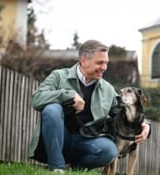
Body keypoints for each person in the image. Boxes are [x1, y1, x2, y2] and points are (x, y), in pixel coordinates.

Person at [28, 40, 150, 173]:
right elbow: (37, 98)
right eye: (100, 63)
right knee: (52, 109)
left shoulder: (107, 89)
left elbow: (122, 112)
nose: (104, 67)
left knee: (109, 150)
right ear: (83, 60)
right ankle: (57, 167)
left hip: (87, 141)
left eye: (106, 63)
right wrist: (68, 95)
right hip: (60, 138)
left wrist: (146, 124)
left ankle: (77, 168)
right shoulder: (59, 76)